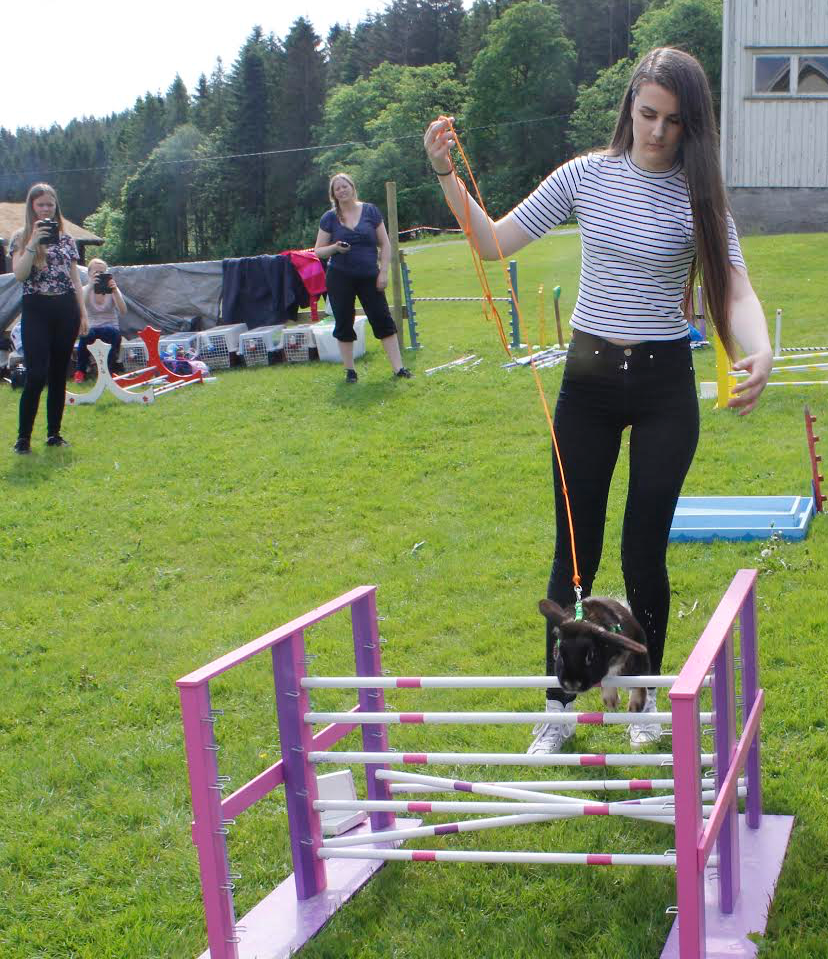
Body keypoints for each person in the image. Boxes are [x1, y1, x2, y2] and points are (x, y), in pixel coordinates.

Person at [423, 46, 773, 755]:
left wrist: (756, 347)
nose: (656, 131)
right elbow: (492, 243)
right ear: (629, 108)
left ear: (692, 126)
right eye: (647, 114)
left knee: (645, 555)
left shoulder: (700, 199)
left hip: (663, 389)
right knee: (572, 556)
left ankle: (643, 702)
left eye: (674, 121)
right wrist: (445, 175)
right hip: (586, 386)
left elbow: (734, 287)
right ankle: (558, 706)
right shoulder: (587, 176)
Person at [9, 182, 86, 453]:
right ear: (32, 207)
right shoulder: (21, 237)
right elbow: (19, 275)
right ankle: (23, 438)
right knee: (36, 374)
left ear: (56, 207)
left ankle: (54, 433)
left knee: (57, 375)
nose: (46, 210)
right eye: (41, 205)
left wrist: (83, 312)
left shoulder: (67, 239)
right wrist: (33, 243)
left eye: (50, 205)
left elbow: (75, 278)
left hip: (65, 309)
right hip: (36, 308)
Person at [313, 173, 410, 382]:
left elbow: (385, 244)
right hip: (339, 278)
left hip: (370, 276)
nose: (342, 190)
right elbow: (318, 251)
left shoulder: (371, 211)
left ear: (352, 187)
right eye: (337, 188)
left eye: (345, 186)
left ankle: (399, 368)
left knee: (382, 319)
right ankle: (350, 371)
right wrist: (335, 248)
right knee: (344, 322)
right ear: (333, 194)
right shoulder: (329, 218)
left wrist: (383, 272)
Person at [75, 258, 127, 380]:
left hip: (110, 326)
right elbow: (79, 306)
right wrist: (90, 287)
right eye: (96, 273)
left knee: (111, 333)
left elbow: (123, 311)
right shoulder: (85, 289)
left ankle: (108, 370)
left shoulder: (112, 289)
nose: (99, 275)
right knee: (86, 334)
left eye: (102, 273)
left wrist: (115, 291)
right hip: (92, 327)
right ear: (89, 274)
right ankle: (81, 370)